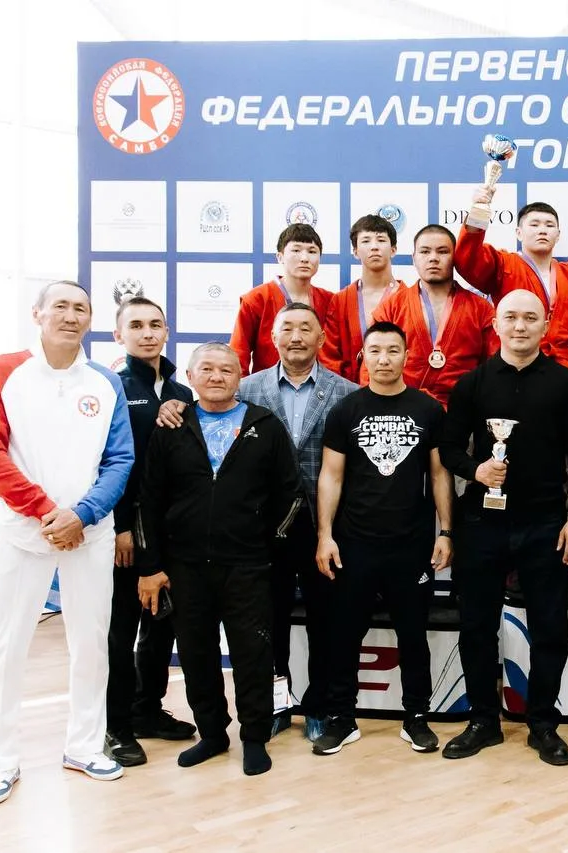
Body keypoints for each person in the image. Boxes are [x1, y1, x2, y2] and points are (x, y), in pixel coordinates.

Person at [0, 280, 135, 805]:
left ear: (91, 319)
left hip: (89, 536)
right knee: (4, 649)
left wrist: (81, 515)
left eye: (80, 308)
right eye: (60, 305)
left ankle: (84, 747)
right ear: (37, 313)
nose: (70, 315)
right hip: (20, 535)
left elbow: (120, 460)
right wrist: (46, 511)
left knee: (91, 645)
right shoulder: (3, 371)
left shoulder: (105, 382)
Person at [438, 290, 568, 766]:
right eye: (511, 317)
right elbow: (448, 449)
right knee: (476, 626)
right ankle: (483, 721)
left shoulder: (566, 385)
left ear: (546, 326)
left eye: (530, 318)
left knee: (550, 628)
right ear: (496, 324)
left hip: (545, 523)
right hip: (481, 523)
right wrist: (476, 470)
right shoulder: (472, 384)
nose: (520, 326)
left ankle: (543, 723)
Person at [135, 343, 303, 777]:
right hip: (185, 567)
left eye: (226, 370)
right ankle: (212, 734)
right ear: (190, 377)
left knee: (253, 653)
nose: (216, 376)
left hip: (248, 565)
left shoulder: (264, 425)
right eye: (206, 369)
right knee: (197, 654)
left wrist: (270, 548)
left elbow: (290, 495)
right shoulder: (171, 426)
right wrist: (151, 565)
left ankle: (255, 737)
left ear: (239, 378)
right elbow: (149, 501)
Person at [313, 321, 453, 756]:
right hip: (354, 543)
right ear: (363, 356)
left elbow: (440, 475)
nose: (384, 359)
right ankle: (341, 717)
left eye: (393, 350)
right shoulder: (346, 410)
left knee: (413, 635)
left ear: (407, 355)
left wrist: (446, 531)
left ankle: (417, 717)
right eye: (375, 350)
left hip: (411, 545)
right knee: (344, 635)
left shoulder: (428, 409)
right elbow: (331, 476)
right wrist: (324, 536)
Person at [238, 303, 357, 741]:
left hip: (325, 525)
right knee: (269, 620)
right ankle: (276, 704)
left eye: (306, 328)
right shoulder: (246, 389)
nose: (296, 336)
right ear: (272, 337)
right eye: (287, 328)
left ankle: (319, 705)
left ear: (322, 339)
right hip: (263, 526)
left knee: (326, 619)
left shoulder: (347, 393)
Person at [105, 297, 196, 768]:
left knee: (160, 626)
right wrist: (121, 526)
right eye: (136, 325)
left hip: (170, 534)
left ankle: (147, 710)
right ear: (118, 335)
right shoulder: (111, 386)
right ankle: (116, 726)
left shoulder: (181, 390)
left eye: (155, 324)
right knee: (121, 632)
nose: (147, 333)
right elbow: (108, 463)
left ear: (166, 331)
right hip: (125, 533)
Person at [454, 192, 568, 372]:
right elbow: (469, 259)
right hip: (515, 364)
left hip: (561, 369)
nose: (542, 230)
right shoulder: (503, 264)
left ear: (558, 235)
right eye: (534, 225)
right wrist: (478, 211)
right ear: (519, 233)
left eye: (549, 225)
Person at [374, 224, 498, 406]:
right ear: (414, 258)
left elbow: (495, 366)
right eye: (425, 252)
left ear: (455, 257)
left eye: (442, 251)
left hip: (464, 410)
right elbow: (372, 364)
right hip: (402, 409)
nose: (433, 258)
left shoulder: (481, 309)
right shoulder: (391, 307)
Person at [229, 223, 336, 376]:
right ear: (280, 257)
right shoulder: (256, 299)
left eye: (312, 251)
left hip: (320, 387)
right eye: (296, 250)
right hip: (266, 388)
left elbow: (336, 356)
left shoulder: (330, 300)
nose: (305, 258)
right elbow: (238, 354)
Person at [325, 214, 405, 383]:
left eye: (381, 240)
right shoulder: (340, 301)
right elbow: (329, 357)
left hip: (395, 390)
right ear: (355, 252)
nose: (374, 247)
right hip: (348, 392)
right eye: (366, 241)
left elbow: (413, 355)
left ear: (393, 249)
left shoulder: (408, 298)